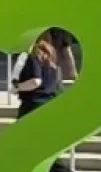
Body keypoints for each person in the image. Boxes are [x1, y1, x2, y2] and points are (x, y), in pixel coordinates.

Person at [13, 32, 70, 172]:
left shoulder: (33, 55)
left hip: (33, 105)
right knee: (43, 144)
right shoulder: (49, 57)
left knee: (22, 140)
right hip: (49, 103)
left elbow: (35, 81)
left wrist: (16, 87)